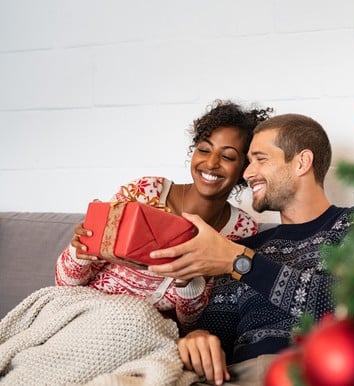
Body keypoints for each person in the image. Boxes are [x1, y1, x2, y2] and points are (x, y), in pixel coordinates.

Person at [148, 113, 354, 385]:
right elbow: (217, 333)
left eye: (261, 159)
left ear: (302, 162)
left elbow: (352, 308)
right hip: (239, 376)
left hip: (315, 369)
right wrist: (198, 339)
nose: (248, 173)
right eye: (248, 162)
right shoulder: (244, 246)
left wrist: (241, 263)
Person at [55, 99, 273, 331]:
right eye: (204, 149)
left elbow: (191, 324)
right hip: (86, 317)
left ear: (244, 168)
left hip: (149, 334)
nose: (211, 163)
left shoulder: (241, 230)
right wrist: (80, 251)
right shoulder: (144, 192)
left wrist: (187, 278)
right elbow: (65, 286)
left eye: (227, 157)